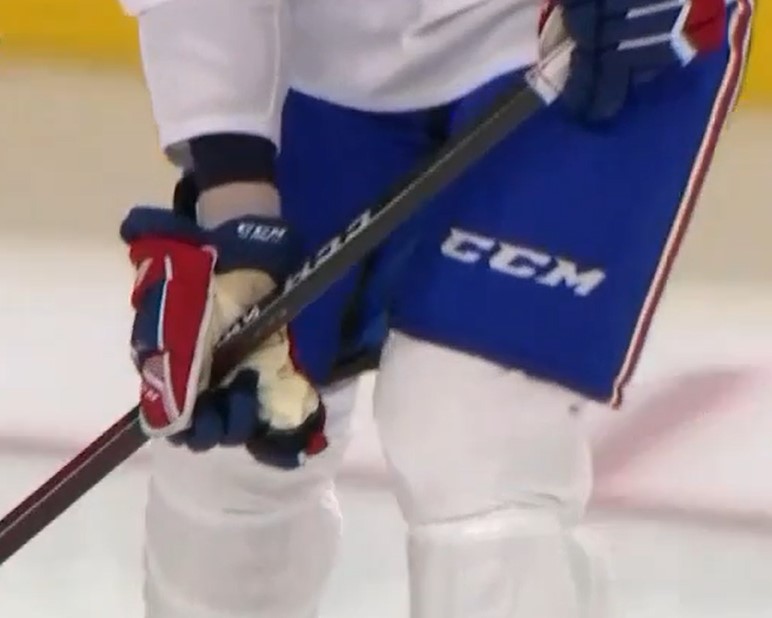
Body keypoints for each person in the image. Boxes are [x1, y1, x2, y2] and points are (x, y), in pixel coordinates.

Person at [117, 0, 754, 615]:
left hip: (585, 49)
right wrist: (238, 219)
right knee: (234, 449)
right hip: (319, 49)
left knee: (472, 430)